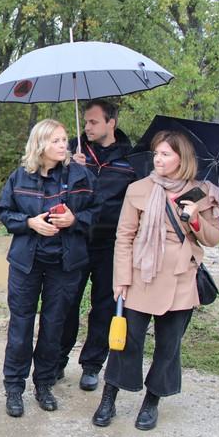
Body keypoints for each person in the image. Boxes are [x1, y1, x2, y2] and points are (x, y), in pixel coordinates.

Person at [92, 130, 219, 431]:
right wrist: (121, 279)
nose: (158, 158)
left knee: (169, 346)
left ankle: (152, 401)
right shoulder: (138, 188)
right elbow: (124, 236)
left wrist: (195, 218)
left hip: (180, 280)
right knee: (126, 341)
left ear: (182, 158)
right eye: (157, 153)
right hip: (141, 274)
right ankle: (109, 398)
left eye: (166, 154)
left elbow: (214, 238)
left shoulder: (202, 192)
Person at [0, 119, 98, 418]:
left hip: (65, 264)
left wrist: (75, 220)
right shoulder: (19, 176)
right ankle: (14, 387)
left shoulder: (80, 176)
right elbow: (3, 212)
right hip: (27, 262)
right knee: (21, 326)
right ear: (40, 144)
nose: (63, 144)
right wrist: (29, 223)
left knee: (54, 326)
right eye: (56, 140)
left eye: (65, 139)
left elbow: (99, 211)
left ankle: (44, 384)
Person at [58, 100, 136, 391]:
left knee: (104, 306)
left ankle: (92, 365)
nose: (87, 127)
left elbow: (138, 200)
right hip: (76, 237)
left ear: (110, 123)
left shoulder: (131, 158)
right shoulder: (72, 151)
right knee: (66, 302)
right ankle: (58, 359)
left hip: (112, 244)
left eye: (93, 122)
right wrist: (69, 167)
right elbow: (53, 185)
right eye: (86, 122)